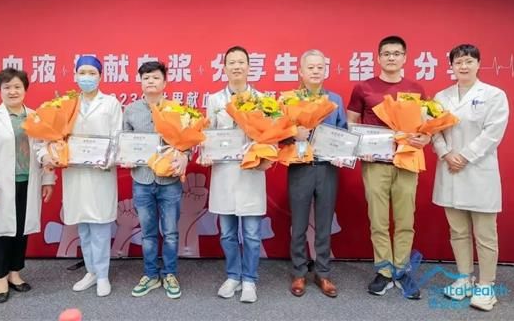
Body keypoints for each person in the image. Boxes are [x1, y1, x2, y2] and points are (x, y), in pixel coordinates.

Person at [347, 35, 430, 299]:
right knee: (378, 220)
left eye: (396, 53)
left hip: (407, 160)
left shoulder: (416, 88)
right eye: (386, 53)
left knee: (405, 219)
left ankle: (402, 270)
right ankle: (384, 271)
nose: (391, 58)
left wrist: (425, 138)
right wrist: (360, 146)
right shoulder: (364, 87)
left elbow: (426, 125)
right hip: (375, 163)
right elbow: (352, 123)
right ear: (378, 57)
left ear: (405, 58)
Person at [431, 44, 509, 311]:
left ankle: (486, 285)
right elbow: (433, 131)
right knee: (458, 231)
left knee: (485, 234)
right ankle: (464, 278)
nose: (463, 66)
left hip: (478, 171)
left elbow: (492, 133)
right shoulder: (441, 97)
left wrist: (464, 156)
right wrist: (445, 153)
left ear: (478, 64)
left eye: (468, 61)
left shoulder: (494, 95)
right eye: (458, 62)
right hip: (449, 169)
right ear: (451, 66)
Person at [0, 68, 55, 304]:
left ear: (25, 89)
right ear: (0, 90)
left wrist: (48, 180)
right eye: (7, 87)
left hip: (28, 181)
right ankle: (0, 278)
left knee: (21, 230)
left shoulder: (36, 117)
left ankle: (14, 273)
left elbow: (44, 149)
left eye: (17, 86)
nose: (12, 91)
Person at [200, 45, 272, 303]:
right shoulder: (214, 100)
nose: (237, 66)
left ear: (249, 67)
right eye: (232, 62)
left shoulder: (263, 99)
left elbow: (270, 136)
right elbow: (206, 133)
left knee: (251, 233)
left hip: (251, 172)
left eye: (241, 62)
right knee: (228, 233)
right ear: (224, 67)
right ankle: (233, 276)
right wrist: (205, 152)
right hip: (224, 173)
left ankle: (249, 279)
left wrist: (267, 158)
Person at [46, 56, 122, 297]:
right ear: (75, 75)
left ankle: (103, 275)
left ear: (100, 76)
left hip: (100, 173)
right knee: (84, 227)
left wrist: (107, 159)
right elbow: (56, 135)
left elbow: (118, 137)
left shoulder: (111, 103)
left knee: (100, 226)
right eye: (83, 72)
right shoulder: (67, 104)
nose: (87, 77)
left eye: (92, 73)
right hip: (76, 173)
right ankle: (90, 271)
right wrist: (56, 151)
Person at [122, 61, 188, 300]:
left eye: (155, 77)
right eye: (146, 78)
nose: (150, 81)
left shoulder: (177, 110)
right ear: (141, 82)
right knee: (148, 233)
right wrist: (126, 156)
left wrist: (185, 156)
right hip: (142, 179)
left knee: (170, 233)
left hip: (169, 181)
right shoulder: (131, 110)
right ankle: (150, 275)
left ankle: (170, 274)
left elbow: (187, 142)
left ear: (165, 82)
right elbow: (125, 142)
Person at [286, 49, 348, 298]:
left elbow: (343, 132)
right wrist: (293, 133)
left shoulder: (336, 100)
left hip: (327, 168)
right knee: (299, 224)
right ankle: (299, 272)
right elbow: (278, 135)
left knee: (324, 224)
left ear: (326, 71)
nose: (315, 71)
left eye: (319, 67)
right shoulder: (289, 100)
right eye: (310, 67)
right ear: (300, 71)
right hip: (300, 167)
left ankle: (322, 272)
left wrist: (344, 152)